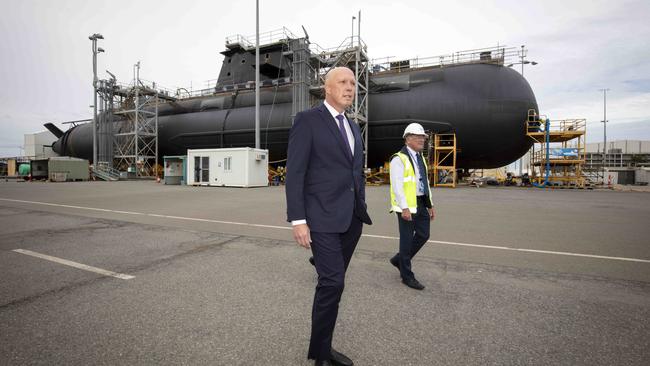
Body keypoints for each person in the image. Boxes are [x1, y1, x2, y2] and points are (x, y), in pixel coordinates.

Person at [286, 67, 372, 366]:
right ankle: (322, 355)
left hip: (351, 220)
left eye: (352, 83)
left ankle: (320, 347)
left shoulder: (352, 126)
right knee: (333, 283)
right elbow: (295, 173)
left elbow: (354, 172)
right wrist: (298, 220)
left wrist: (360, 205)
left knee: (332, 283)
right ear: (327, 88)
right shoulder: (308, 120)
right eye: (343, 83)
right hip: (320, 217)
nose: (350, 88)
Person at [388, 123, 435, 290]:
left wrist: (430, 204)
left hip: (421, 203)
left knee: (423, 235)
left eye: (423, 137)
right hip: (407, 206)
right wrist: (405, 208)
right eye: (418, 137)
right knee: (407, 240)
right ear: (408, 139)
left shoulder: (420, 157)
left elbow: (424, 183)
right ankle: (406, 275)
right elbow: (397, 186)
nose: (422, 139)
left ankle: (398, 259)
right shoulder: (398, 159)